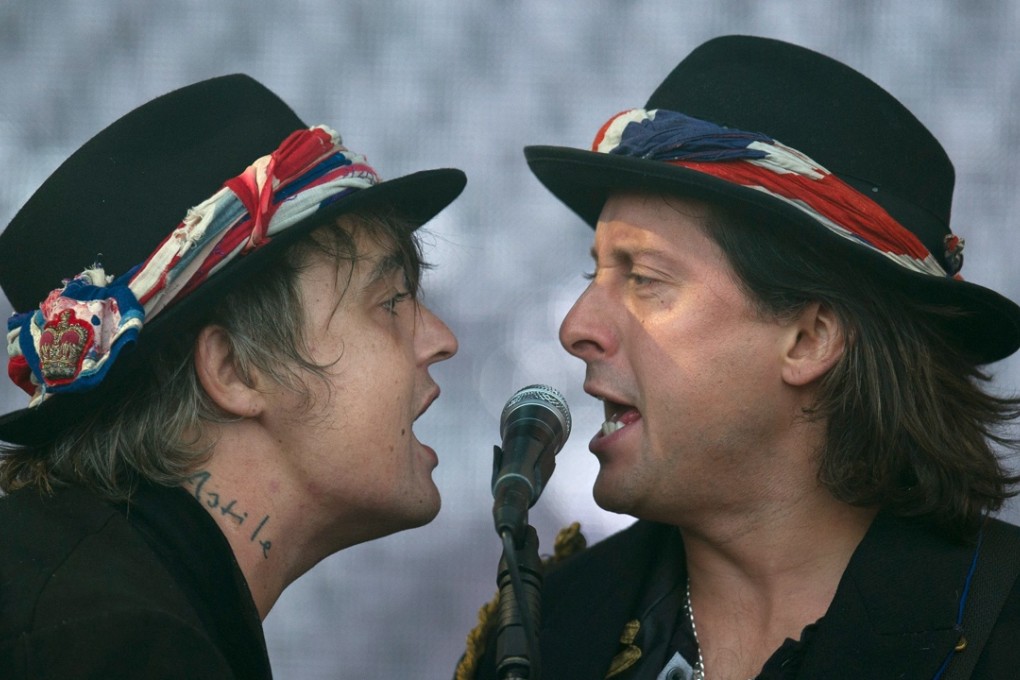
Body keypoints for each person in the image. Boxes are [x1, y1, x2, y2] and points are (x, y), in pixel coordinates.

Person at [458, 35, 1020, 679]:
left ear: (810, 339)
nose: (575, 327)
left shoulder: (1000, 628)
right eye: (594, 273)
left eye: (642, 277)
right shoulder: (544, 633)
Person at [0, 74, 464, 678]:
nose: (441, 340)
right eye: (392, 301)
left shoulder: (96, 596)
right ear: (235, 369)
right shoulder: (110, 643)